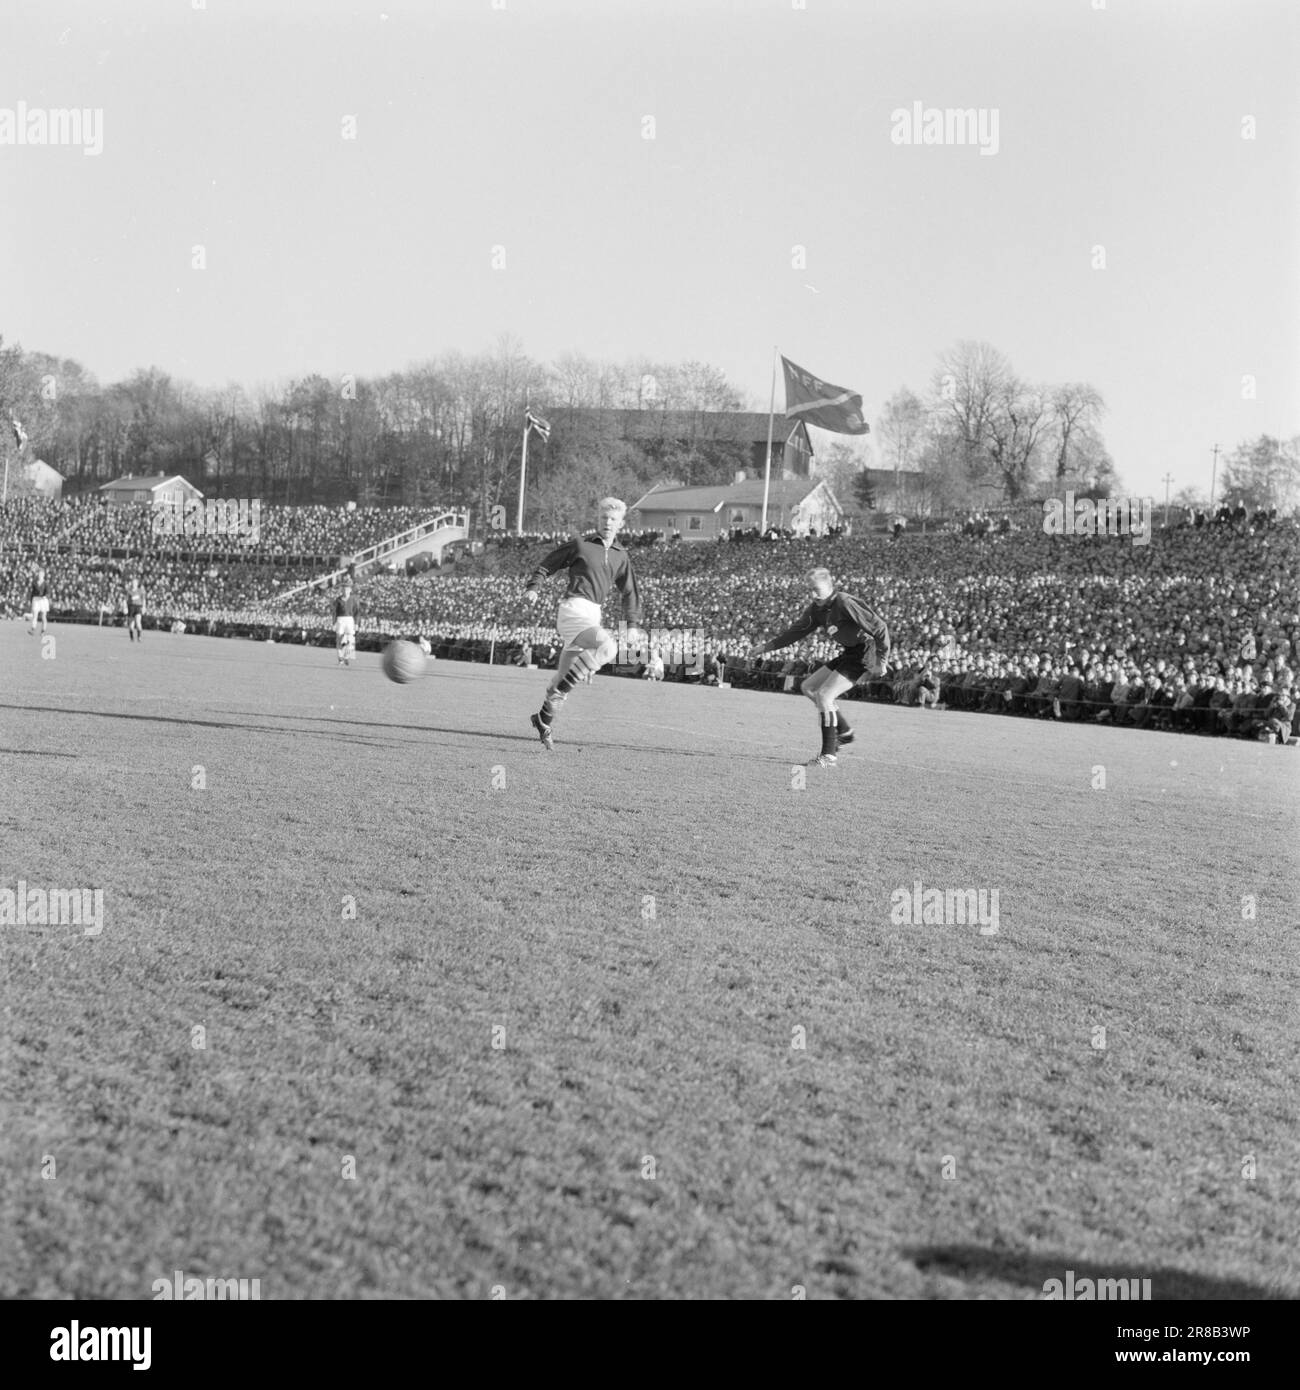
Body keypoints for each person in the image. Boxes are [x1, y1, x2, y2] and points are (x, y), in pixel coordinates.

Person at [524, 497, 643, 750]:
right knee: (608, 648)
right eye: (603, 518)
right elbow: (549, 563)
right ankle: (557, 695)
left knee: (561, 680)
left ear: (621, 523)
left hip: (593, 614)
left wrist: (632, 623)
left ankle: (543, 720)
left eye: (613, 519)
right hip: (574, 609)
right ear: (598, 519)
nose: (607, 522)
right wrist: (534, 587)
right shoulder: (582, 544)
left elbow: (630, 591)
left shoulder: (622, 556)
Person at [747, 567, 890, 767]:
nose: (812, 594)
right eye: (810, 589)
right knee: (808, 688)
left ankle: (828, 756)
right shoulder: (816, 609)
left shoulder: (845, 602)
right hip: (849, 653)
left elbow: (880, 627)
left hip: (865, 654)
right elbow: (795, 632)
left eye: (816, 589)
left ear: (829, 587)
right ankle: (845, 731)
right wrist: (764, 647)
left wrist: (881, 661)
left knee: (824, 696)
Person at [333, 580, 360, 666]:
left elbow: (357, 612)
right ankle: (340, 658)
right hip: (340, 620)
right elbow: (334, 612)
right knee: (339, 639)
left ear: (350, 590)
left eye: (347, 589)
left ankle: (347, 656)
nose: (345, 591)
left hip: (349, 620)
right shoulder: (338, 600)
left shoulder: (353, 599)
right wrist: (334, 623)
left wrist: (356, 623)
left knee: (350, 639)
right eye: (343, 589)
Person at [28, 566, 51, 635]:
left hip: (43, 600)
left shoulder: (46, 583)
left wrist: (45, 596)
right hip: (36, 599)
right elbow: (32, 592)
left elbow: (48, 592)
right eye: (39, 573)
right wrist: (31, 600)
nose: (39, 575)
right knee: (35, 615)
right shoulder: (34, 582)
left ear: (43, 574)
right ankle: (33, 629)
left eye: (41, 573)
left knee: (43, 616)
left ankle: (43, 631)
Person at [125, 574, 146, 641]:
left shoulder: (140, 591)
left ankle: (139, 637)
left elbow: (143, 599)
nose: (134, 584)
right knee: (131, 626)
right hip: (131, 607)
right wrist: (125, 607)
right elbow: (126, 600)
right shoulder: (129, 591)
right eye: (133, 583)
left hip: (138, 607)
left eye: (135, 583)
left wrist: (144, 607)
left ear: (137, 584)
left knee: (138, 622)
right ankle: (131, 638)